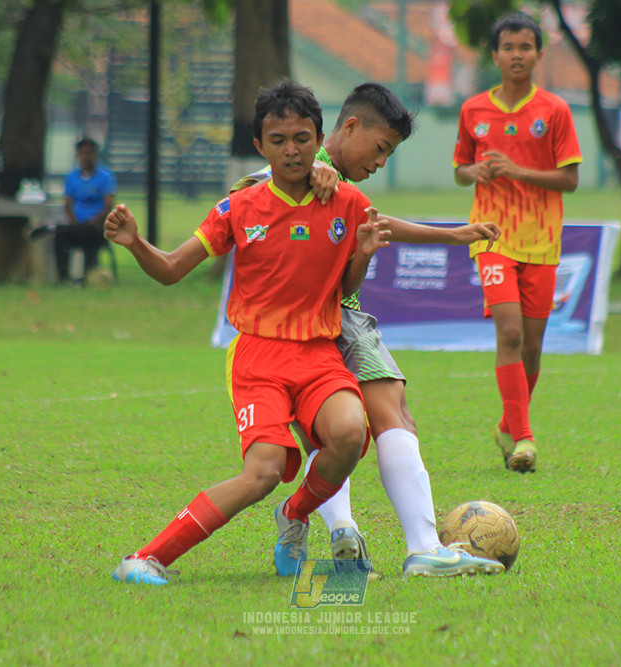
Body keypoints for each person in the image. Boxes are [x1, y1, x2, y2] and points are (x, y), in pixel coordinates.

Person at [107, 79, 391, 585]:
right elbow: (172, 269)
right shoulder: (238, 207)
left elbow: (345, 286)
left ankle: (296, 513)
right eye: (278, 140)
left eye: (302, 138)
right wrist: (135, 244)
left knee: (350, 432)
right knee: (260, 475)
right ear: (260, 146)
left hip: (320, 354)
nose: (292, 150)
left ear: (319, 138)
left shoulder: (347, 202)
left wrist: (363, 255)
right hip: (259, 359)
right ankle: (144, 558)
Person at [236, 83, 505, 578]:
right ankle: (420, 544)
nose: (382, 162)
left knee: (337, 433)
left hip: (315, 325)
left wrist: (452, 234)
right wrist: (316, 164)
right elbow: (246, 192)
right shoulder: (300, 162)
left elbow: (374, 220)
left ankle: (344, 531)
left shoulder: (333, 182)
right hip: (321, 322)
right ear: (351, 127)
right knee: (389, 415)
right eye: (381, 149)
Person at [452, 13, 582, 473]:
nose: (517, 55)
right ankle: (525, 438)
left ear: (539, 55)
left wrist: (518, 171)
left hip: (542, 241)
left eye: (525, 47)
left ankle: (508, 423)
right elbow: (460, 170)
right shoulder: (473, 111)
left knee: (531, 347)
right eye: (508, 47)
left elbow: (569, 179)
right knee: (508, 333)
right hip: (491, 236)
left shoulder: (555, 111)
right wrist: (477, 171)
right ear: (495, 55)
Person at [54, 138, 116, 283]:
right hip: (77, 224)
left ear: (95, 155)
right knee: (59, 234)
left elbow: (108, 207)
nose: (86, 157)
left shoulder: (105, 177)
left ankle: (88, 275)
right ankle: (63, 277)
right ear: (78, 155)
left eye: (89, 153)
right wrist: (75, 221)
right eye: (83, 153)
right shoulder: (72, 177)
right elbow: (67, 205)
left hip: (96, 226)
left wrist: (92, 221)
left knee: (89, 234)